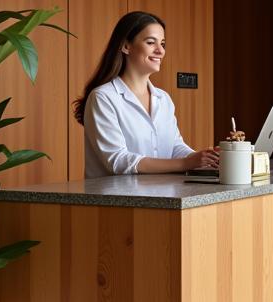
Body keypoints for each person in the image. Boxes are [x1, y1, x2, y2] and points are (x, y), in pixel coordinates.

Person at [73, 11, 219, 178]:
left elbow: (175, 147)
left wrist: (206, 159)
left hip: (160, 197)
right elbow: (117, 160)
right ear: (126, 46)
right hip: (117, 200)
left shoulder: (163, 99)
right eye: (151, 42)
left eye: (163, 44)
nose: (160, 51)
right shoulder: (103, 97)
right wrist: (187, 163)